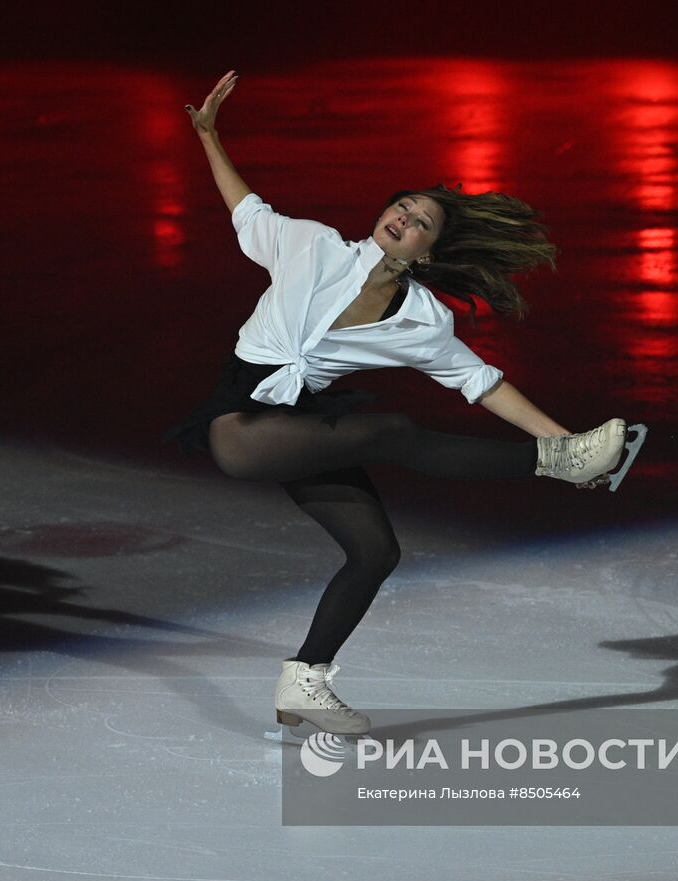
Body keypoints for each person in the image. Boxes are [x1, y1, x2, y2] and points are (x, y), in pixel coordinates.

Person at [163, 70, 641, 740]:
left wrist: (566, 434)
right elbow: (247, 209)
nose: (404, 218)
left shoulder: (421, 320)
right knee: (388, 428)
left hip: (298, 429)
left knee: (374, 550)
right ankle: (551, 463)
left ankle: (305, 681)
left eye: (421, 222)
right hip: (238, 426)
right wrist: (209, 135)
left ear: (429, 251)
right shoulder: (313, 246)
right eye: (402, 206)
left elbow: (483, 383)